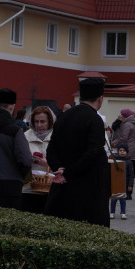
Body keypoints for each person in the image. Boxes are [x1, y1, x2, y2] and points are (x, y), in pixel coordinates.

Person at [44, 76, 111, 226]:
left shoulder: (63, 116)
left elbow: (51, 149)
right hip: (88, 189)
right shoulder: (94, 120)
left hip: (62, 190)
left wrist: (58, 169)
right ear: (100, 99)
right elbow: (93, 153)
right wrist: (68, 173)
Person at [114, 108, 135, 180]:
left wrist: (115, 142)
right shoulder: (134, 123)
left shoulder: (127, 124)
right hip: (133, 146)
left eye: (122, 115)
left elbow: (124, 137)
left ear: (125, 116)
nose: (121, 116)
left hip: (127, 147)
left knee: (125, 166)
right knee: (130, 165)